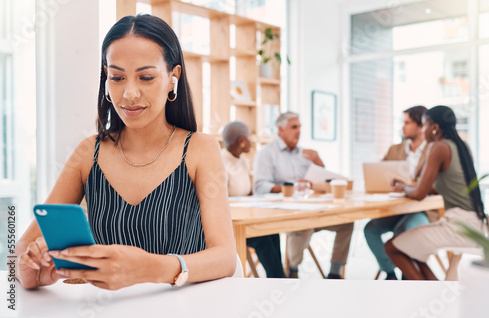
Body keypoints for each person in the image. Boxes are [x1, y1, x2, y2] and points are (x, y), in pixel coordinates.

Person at [15, 14, 236, 290]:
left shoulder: (199, 149)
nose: (129, 93)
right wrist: (28, 273)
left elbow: (226, 257)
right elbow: (22, 247)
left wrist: (150, 268)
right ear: (107, 78)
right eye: (117, 77)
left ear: (172, 78)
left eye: (146, 77)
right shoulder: (88, 153)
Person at [384, 105, 488, 280]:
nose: (423, 131)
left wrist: (402, 187)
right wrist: (411, 187)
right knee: (411, 251)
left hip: (457, 226)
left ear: (435, 128)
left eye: (424, 126)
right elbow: (442, 186)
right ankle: (434, 289)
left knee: (391, 247)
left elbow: (419, 194)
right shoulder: (462, 147)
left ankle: (428, 292)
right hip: (477, 224)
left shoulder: (437, 147)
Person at [253, 112, 354, 279]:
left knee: (346, 222)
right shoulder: (266, 154)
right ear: (280, 129)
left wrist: (318, 161)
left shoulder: (305, 154)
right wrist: (291, 187)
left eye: (300, 127)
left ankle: (335, 273)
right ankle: (292, 269)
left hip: (310, 208)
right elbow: (260, 187)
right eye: (294, 127)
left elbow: (321, 178)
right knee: (304, 223)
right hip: (284, 214)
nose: (298, 131)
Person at [364, 105, 430, 280]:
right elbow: (378, 174)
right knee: (370, 229)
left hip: (422, 209)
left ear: (421, 126)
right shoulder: (395, 149)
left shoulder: (433, 150)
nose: (403, 127)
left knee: (403, 230)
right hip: (397, 208)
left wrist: (411, 184)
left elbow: (433, 185)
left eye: (407, 123)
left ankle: (407, 277)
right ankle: (390, 272)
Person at [221, 121, 285, 278]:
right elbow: (221, 201)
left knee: (272, 231)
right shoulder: (220, 161)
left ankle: (277, 278)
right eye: (250, 137)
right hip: (231, 224)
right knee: (263, 237)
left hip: (246, 217)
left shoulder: (243, 161)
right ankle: (278, 278)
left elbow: (248, 193)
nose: (252, 140)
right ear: (241, 141)